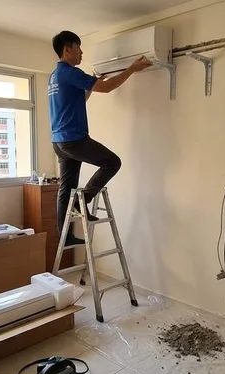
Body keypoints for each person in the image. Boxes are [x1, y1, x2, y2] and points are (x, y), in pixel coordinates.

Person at [49, 30, 152, 245]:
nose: (81, 52)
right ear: (67, 49)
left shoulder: (55, 76)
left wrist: (92, 85)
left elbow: (78, 99)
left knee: (66, 188)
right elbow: (106, 88)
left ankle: (64, 236)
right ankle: (83, 200)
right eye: (78, 48)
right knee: (112, 162)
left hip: (59, 141)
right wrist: (132, 69)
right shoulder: (70, 72)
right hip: (74, 139)